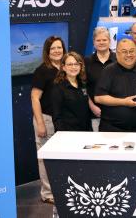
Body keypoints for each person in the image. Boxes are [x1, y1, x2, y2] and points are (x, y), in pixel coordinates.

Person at [30, 36, 65, 204]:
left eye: (59, 47)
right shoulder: (42, 70)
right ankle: (48, 193)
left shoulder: (66, 68)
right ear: (47, 51)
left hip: (62, 121)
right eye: (53, 48)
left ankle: (60, 189)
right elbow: (35, 98)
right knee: (45, 159)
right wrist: (40, 123)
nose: (57, 51)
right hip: (46, 119)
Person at [94, 39, 136, 132]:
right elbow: (99, 98)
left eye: (131, 51)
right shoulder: (108, 71)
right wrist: (124, 102)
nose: (129, 55)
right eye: (124, 52)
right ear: (117, 54)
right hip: (112, 129)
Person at [51, 52, 93, 132]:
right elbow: (57, 116)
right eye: (70, 64)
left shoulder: (83, 84)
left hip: (85, 132)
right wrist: (64, 135)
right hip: (68, 135)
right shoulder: (58, 88)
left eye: (76, 64)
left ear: (80, 66)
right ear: (63, 67)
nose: (73, 67)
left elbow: (86, 112)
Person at [85, 27, 116, 131]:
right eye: (98, 40)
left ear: (110, 41)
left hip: (116, 113)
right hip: (94, 113)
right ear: (93, 42)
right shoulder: (87, 62)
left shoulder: (118, 60)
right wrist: (92, 106)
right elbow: (82, 87)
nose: (101, 42)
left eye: (104, 40)